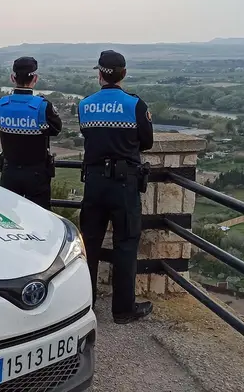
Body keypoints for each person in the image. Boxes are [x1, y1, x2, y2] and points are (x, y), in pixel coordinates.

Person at [78, 50, 154, 324]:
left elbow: (88, 135)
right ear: (124, 74)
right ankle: (123, 310)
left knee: (89, 244)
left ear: (99, 74)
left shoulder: (85, 105)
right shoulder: (135, 105)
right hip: (124, 184)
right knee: (125, 243)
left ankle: (84, 303)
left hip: (94, 183)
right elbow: (147, 142)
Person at [0, 57, 62, 210]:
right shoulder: (43, 107)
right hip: (37, 174)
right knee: (39, 216)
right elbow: (56, 130)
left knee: (8, 216)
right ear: (35, 78)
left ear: (13, 78)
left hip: (9, 171)